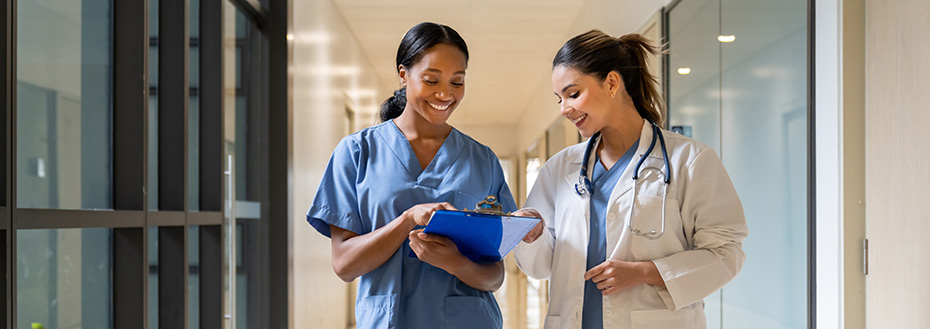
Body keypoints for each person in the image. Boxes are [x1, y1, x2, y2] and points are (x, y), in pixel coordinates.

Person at [512, 30, 748, 329]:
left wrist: (646, 272)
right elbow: (541, 266)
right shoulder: (560, 168)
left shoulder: (689, 159)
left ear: (612, 82)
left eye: (573, 94)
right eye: (559, 99)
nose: (564, 109)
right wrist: (534, 234)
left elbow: (726, 254)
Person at [306, 22, 515, 329]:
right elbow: (345, 265)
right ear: (404, 75)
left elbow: (495, 275)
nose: (445, 94)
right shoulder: (357, 152)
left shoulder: (482, 160)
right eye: (431, 80)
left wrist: (455, 263)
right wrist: (407, 220)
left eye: (457, 82)